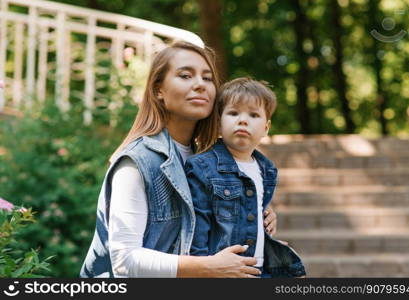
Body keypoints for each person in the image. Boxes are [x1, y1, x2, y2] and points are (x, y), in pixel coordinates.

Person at [80, 41, 278, 278]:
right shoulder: (137, 162)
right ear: (158, 91)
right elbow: (124, 261)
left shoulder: (210, 163)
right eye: (185, 75)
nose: (200, 85)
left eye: (207, 78)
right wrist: (209, 267)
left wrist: (255, 210)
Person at [185, 78, 306, 277]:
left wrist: (266, 222)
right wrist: (203, 269)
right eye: (233, 113)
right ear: (218, 123)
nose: (243, 120)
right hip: (222, 272)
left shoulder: (265, 169)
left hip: (259, 270)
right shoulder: (203, 167)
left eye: (253, 114)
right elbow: (197, 226)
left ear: (266, 128)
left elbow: (249, 212)